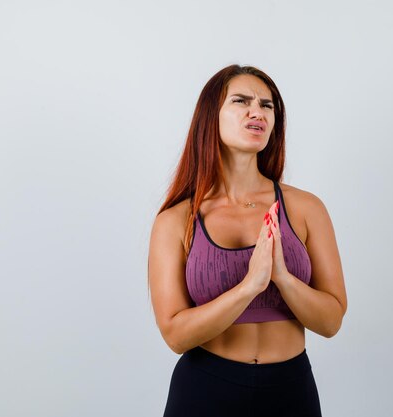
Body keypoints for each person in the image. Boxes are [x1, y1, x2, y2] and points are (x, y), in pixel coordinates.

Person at [147, 64, 347, 417]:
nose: (258, 111)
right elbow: (175, 335)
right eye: (241, 101)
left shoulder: (305, 208)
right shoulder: (177, 221)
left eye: (267, 105)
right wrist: (249, 287)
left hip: (290, 390)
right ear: (212, 117)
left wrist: (283, 277)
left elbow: (331, 322)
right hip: (206, 390)